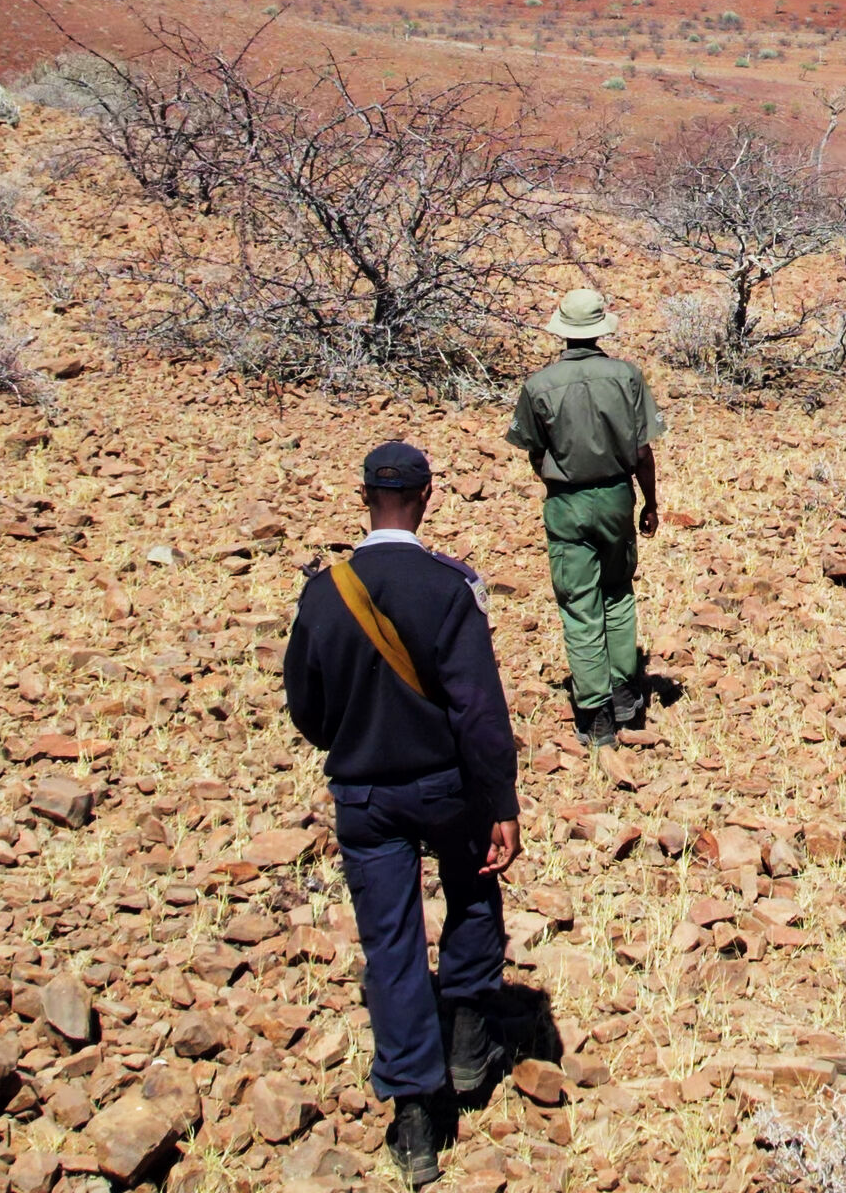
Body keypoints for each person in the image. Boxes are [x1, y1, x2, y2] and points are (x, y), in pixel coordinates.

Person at [282, 442, 522, 1188]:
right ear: (425, 497)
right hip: (446, 786)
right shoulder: (449, 587)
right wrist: (500, 803)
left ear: (364, 497)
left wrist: (354, 737)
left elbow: (305, 706)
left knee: (390, 944)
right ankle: (469, 1038)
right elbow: (479, 711)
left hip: (364, 794)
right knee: (475, 888)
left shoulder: (325, 593)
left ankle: (415, 1116)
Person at [505, 287, 663, 745]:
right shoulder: (626, 376)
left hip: (566, 500)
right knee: (617, 592)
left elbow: (535, 451)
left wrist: (559, 480)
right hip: (617, 496)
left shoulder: (539, 385)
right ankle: (624, 694)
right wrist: (650, 503)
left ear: (563, 329)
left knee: (580, 605)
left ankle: (595, 715)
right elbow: (642, 451)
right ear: (600, 328)